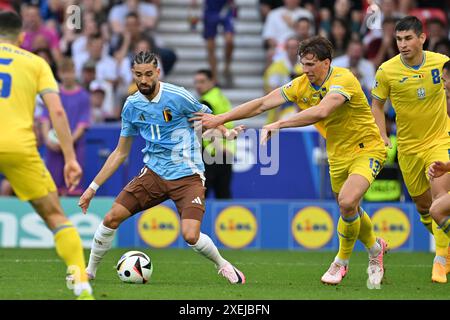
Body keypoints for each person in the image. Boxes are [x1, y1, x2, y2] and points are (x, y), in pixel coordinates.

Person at [192, 36, 388, 287]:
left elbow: (322, 111)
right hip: (338, 154)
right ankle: (375, 248)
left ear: (326, 63)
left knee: (347, 201)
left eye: (310, 64)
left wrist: (280, 123)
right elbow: (262, 103)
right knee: (350, 208)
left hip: (367, 148)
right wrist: (221, 118)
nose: (305, 70)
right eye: (302, 64)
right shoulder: (300, 85)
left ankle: (341, 262)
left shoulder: (343, 79)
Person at [76, 51, 246, 284]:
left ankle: (223, 265)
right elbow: (120, 152)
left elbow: (208, 118)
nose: (143, 80)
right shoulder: (132, 105)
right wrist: (92, 188)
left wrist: (227, 132)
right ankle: (90, 271)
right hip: (154, 174)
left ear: (158, 72)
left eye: (148, 74)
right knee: (111, 218)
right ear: (132, 74)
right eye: (138, 75)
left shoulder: (178, 96)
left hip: (188, 175)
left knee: (191, 236)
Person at [0, 11, 93, 299]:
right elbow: (57, 111)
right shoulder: (36, 62)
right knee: (55, 215)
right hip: (19, 146)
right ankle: (81, 282)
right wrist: (70, 158)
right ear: (22, 36)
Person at [371, 16, 450, 284]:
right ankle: (446, 244)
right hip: (407, 147)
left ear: (422, 38)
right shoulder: (386, 71)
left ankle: (441, 259)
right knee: (424, 208)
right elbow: (377, 104)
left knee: (441, 198)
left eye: (407, 39)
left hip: (439, 139)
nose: (402, 44)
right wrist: (382, 134)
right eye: (398, 39)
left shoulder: (440, 63)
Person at [40, 57, 91, 196]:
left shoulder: (83, 96)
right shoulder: (53, 94)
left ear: (75, 72)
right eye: (64, 72)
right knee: (53, 188)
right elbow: (45, 118)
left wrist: (67, 141)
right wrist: (47, 139)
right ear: (59, 74)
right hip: (54, 149)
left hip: (75, 148)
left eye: (70, 72)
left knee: (73, 186)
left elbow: (83, 123)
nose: (67, 76)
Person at [194, 69, 235, 199]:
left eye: (202, 81)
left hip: (211, 153)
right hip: (225, 152)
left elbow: (207, 127)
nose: (198, 85)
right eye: (196, 82)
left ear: (212, 81)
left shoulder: (206, 102)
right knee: (223, 195)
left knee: (200, 197)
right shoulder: (220, 97)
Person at [191, 0, 237, 86]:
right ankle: (214, 77)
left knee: (229, 41)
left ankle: (227, 66)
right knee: (211, 45)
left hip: (225, 8)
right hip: (210, 9)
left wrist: (234, 9)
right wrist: (193, 11)